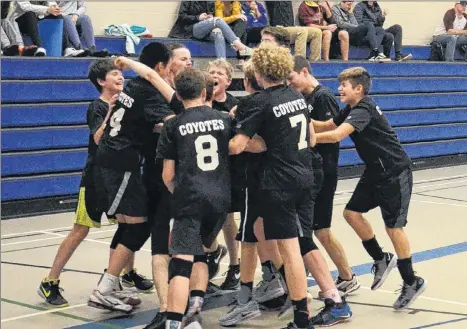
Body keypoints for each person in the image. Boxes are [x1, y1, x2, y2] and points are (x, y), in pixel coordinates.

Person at [37, 59, 152, 308]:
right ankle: (50, 280)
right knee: (80, 229)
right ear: (102, 82)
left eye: (121, 74)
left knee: (127, 222)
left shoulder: (126, 102)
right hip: (94, 177)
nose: (120, 77)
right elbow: (99, 139)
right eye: (114, 74)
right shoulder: (97, 106)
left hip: (114, 174)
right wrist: (110, 112)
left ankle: (125, 274)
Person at [313, 66, 427, 310]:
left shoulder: (363, 109)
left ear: (359, 89)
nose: (339, 89)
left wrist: (307, 138)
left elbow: (336, 135)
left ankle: (411, 280)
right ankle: (381, 258)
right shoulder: (352, 107)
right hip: (376, 171)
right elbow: (328, 124)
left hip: (395, 171)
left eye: (344, 85)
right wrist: (301, 122)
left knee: (393, 228)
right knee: (351, 214)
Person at [229, 42, 316, 329]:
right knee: (263, 231)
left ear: (258, 72)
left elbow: (238, 146)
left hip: (279, 183)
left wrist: (225, 131)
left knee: (290, 251)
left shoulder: (258, 102)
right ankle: (282, 289)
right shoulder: (296, 95)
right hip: (304, 175)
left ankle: (302, 318)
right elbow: (311, 139)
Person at [88, 43, 174, 313]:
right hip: (119, 164)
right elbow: (172, 121)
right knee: (139, 226)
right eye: (170, 67)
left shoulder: (133, 88)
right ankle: (105, 288)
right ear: (159, 67)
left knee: (128, 225)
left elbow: (151, 122)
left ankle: (111, 287)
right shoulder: (149, 90)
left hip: (112, 161)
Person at [156, 67, 233, 329]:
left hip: (190, 198)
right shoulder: (224, 119)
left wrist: (180, 196)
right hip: (221, 199)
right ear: (204, 92)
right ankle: (195, 307)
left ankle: (174, 322)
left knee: (181, 261)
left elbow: (168, 175)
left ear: (177, 94)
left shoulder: (173, 125)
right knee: (200, 253)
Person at [288, 55, 361, 299]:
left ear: (305, 71)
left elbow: (332, 129)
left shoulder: (323, 96)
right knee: (320, 231)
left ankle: (340, 278)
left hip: (324, 171)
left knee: (313, 231)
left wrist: (305, 134)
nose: (290, 83)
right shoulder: (303, 97)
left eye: (292, 77)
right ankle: (346, 277)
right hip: (310, 169)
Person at [168, 0, 253, 59]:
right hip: (191, 29)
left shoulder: (209, 1)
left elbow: (211, 14)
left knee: (218, 34)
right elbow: (181, 16)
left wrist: (209, 17)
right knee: (218, 20)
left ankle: (222, 62)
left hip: (206, 28)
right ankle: (238, 44)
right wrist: (198, 17)